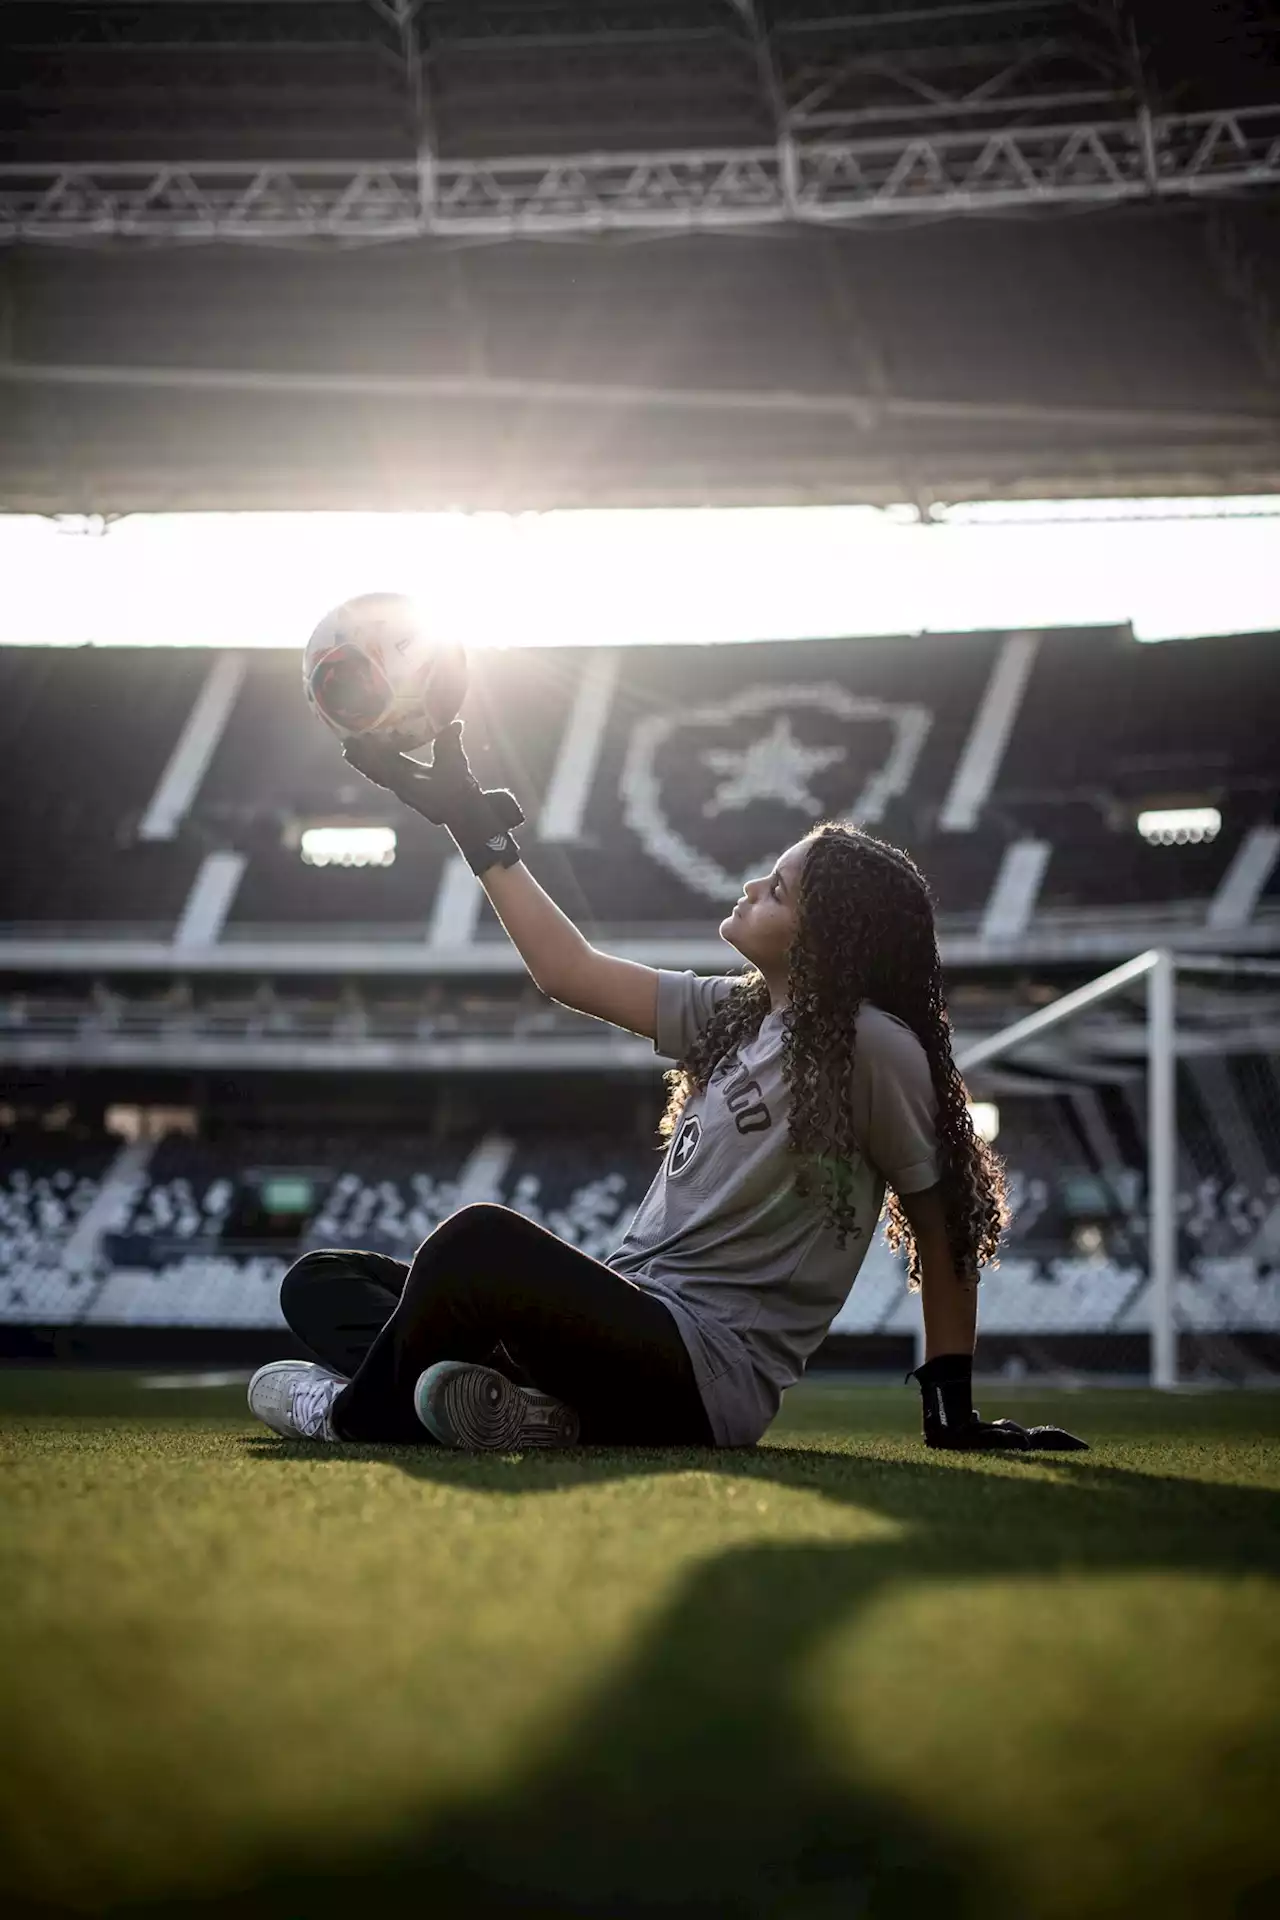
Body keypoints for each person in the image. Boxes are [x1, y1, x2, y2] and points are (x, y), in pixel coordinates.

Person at [248, 721, 1086, 1455]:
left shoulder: (871, 1047)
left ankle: (358, 1418)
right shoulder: (738, 1013)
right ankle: (543, 1415)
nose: (754, 886)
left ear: (825, 938)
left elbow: (943, 1228)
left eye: (779, 889)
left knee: (475, 1246)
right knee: (323, 1282)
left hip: (699, 1372)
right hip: (626, 1327)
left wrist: (951, 1409)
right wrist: (478, 832)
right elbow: (567, 971)